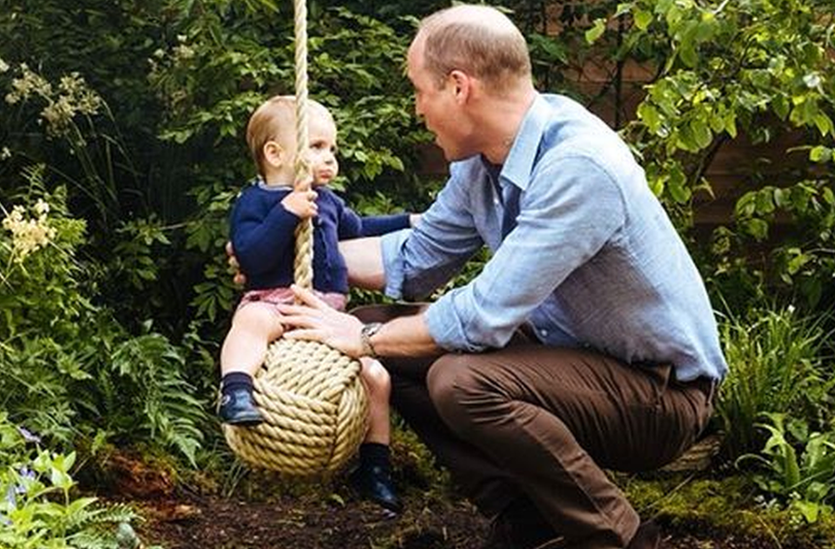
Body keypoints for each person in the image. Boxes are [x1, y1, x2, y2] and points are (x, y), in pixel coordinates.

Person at [271, 5, 729, 549]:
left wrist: (364, 340)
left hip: (657, 395)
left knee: (459, 381)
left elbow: (483, 316)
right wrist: (279, 255)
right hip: (570, 358)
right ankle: (527, 522)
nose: (418, 110)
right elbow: (416, 258)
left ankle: (619, 538)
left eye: (421, 91)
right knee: (380, 331)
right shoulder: (481, 162)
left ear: (459, 87)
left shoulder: (578, 167)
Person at [220, 95, 415, 513]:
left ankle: (375, 466)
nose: (330, 159)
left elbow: (360, 228)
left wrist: (410, 221)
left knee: (375, 376)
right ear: (275, 154)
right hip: (275, 303)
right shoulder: (254, 202)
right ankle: (236, 390)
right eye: (317, 146)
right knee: (251, 320)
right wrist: (286, 213)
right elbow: (251, 256)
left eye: (333, 149)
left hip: (327, 316)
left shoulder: (326, 200)